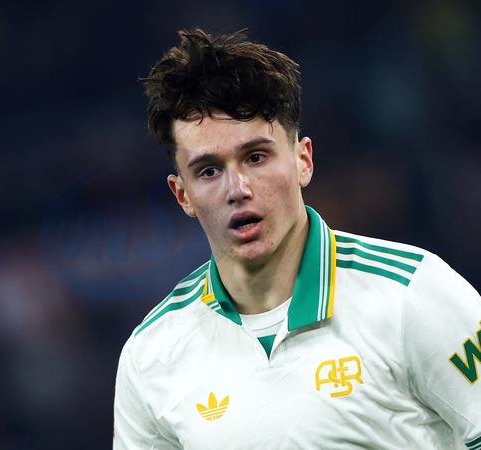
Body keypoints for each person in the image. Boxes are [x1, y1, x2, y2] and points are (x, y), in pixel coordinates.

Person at [112, 28, 481, 449]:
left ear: (303, 160)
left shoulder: (412, 294)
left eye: (256, 157)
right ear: (183, 195)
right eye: (209, 171)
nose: (237, 189)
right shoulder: (150, 355)